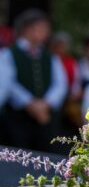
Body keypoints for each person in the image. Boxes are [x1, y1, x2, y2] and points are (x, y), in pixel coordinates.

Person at [0, 9, 68, 152]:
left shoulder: (50, 57)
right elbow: (7, 84)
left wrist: (45, 103)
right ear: (27, 28)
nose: (46, 32)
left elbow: (60, 84)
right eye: (41, 27)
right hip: (18, 119)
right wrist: (30, 103)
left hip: (46, 117)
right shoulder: (8, 54)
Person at [50, 32, 80, 98]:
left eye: (63, 45)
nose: (61, 48)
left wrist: (74, 92)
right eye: (59, 45)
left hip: (69, 95)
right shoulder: (50, 60)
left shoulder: (71, 61)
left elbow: (76, 80)